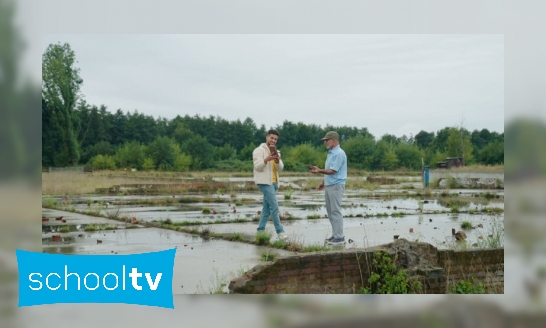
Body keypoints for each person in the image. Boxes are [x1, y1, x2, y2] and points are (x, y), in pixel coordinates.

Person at [309, 131, 348, 245]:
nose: (325, 142)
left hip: (336, 185)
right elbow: (329, 171)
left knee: (335, 211)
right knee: (330, 212)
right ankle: (335, 235)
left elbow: (333, 170)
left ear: (334, 140)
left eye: (327, 140)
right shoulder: (331, 153)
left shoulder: (339, 153)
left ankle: (340, 237)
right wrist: (323, 182)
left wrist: (319, 170)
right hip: (330, 185)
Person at [252, 129, 289, 241]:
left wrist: (277, 160)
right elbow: (257, 167)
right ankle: (280, 232)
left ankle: (260, 231)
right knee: (274, 207)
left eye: (275, 139)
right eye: (272, 138)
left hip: (273, 183)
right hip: (264, 183)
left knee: (267, 209)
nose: (273, 140)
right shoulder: (258, 151)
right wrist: (267, 159)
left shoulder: (276, 152)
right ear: (267, 137)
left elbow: (280, 168)